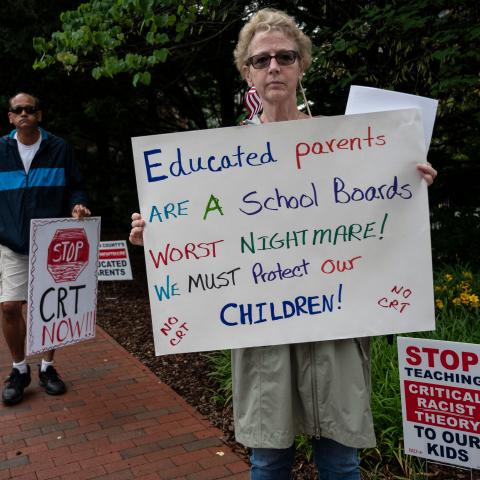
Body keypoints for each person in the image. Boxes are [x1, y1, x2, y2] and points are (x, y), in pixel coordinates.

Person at [130, 9, 437, 479]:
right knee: (268, 460)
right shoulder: (219, 157)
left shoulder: (350, 144)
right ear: (247, 71)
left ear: (301, 65)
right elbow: (203, 232)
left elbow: (376, 219)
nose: (273, 66)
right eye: (261, 59)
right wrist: (157, 233)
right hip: (262, 333)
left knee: (340, 460)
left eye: (284, 56)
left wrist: (410, 187)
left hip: (335, 323)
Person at [1, 92, 90, 406]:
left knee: (51, 308)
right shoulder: (1, 150)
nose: (24, 113)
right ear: (11, 117)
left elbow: (75, 185)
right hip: (11, 242)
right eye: (18, 110)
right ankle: (19, 369)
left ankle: (48, 368)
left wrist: (78, 205)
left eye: (30, 109)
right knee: (10, 306)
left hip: (51, 240)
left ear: (39, 115)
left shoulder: (59, 148)